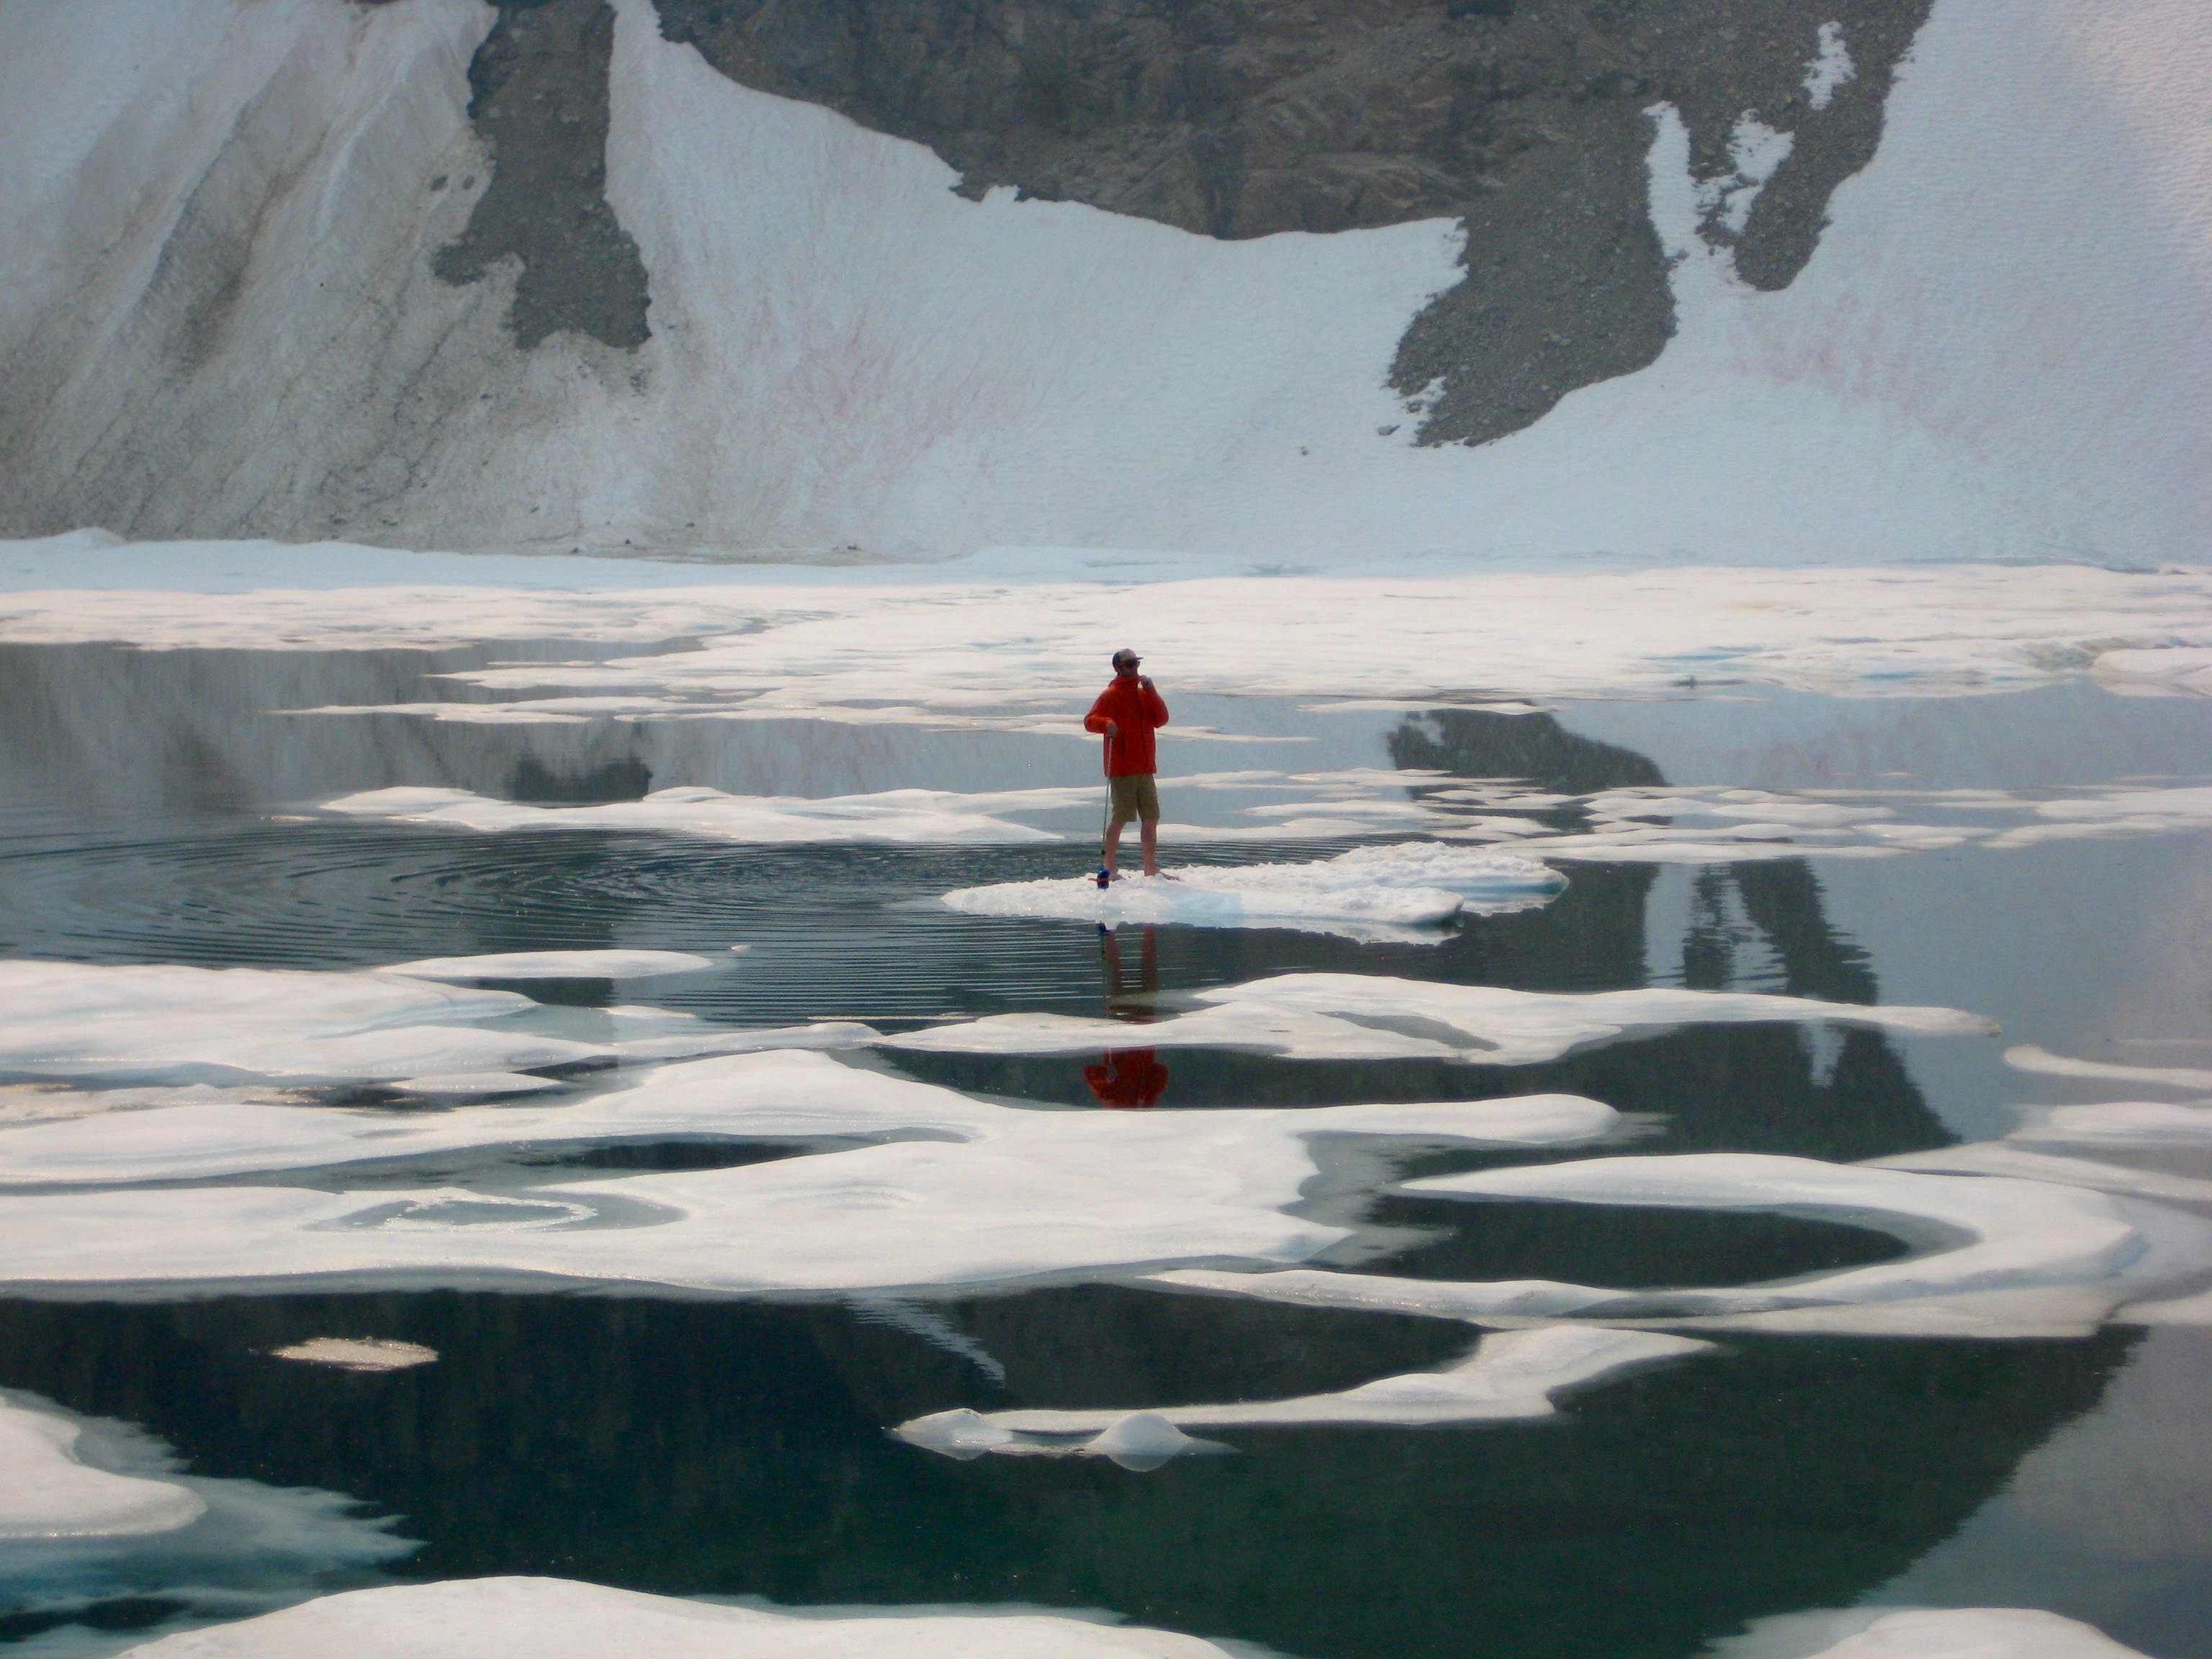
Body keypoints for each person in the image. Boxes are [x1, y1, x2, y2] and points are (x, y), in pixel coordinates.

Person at [1083, 648, 1170, 879]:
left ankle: (1151, 869)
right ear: (1118, 668)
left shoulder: (1143, 694)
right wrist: (1106, 724)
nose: (1135, 668)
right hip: (1122, 767)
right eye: (1130, 664)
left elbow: (1161, 719)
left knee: (1151, 817)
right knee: (1120, 818)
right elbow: (1090, 721)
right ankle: (1109, 868)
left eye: (1136, 664)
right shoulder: (1110, 695)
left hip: (1145, 766)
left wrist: (1152, 691)